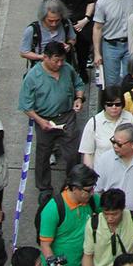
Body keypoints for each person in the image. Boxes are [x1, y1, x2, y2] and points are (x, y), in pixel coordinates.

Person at [18, 41, 85, 202]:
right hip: (45, 120)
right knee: (43, 155)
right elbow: (25, 105)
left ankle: (71, 184)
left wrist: (79, 98)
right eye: (56, 60)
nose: (60, 64)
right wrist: (40, 121)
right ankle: (44, 188)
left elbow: (79, 84)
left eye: (62, 60)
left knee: (72, 153)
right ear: (45, 58)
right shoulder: (32, 77)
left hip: (67, 117)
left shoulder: (67, 69)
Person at [38, 164, 100, 266]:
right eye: (88, 190)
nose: (92, 193)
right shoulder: (53, 208)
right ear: (75, 188)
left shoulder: (91, 200)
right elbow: (45, 245)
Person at [92, 0, 133, 88]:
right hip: (111, 44)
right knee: (112, 81)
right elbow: (97, 27)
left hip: (130, 42)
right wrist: (97, 53)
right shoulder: (102, 2)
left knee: (130, 79)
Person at [79, 85, 133, 168]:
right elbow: (88, 153)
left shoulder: (132, 120)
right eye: (109, 104)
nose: (114, 107)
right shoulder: (93, 123)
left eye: (118, 104)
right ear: (104, 104)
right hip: (102, 173)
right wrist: (90, 176)